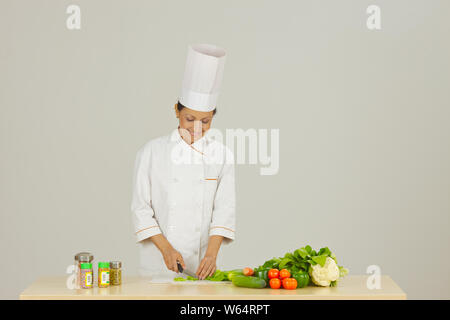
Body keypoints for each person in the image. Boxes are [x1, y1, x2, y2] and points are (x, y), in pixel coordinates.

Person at [131, 44, 235, 280]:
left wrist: (211, 255)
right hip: (159, 266)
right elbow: (141, 209)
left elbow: (224, 210)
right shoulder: (150, 152)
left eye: (206, 121)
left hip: (202, 266)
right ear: (176, 111)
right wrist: (166, 249)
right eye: (190, 118)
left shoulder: (222, 155)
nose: (197, 128)